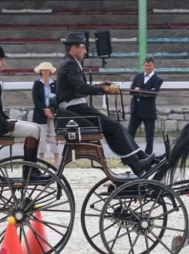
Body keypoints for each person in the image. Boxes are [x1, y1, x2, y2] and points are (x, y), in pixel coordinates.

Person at [55, 32, 155, 177]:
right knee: (114, 126)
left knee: (115, 126)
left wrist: (102, 85)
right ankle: (136, 163)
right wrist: (105, 89)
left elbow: (79, 86)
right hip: (75, 109)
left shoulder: (70, 63)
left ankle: (141, 157)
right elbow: (81, 88)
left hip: (77, 108)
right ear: (74, 48)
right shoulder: (70, 64)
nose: (86, 51)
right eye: (83, 48)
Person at [0, 44, 50, 181]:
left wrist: (6, 121)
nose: (4, 63)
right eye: (1, 59)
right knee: (34, 131)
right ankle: (30, 171)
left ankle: (31, 169)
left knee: (36, 128)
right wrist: (4, 124)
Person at [127, 57, 164, 155]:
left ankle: (148, 155)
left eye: (149, 65)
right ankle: (130, 153)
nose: (147, 67)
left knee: (149, 136)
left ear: (153, 66)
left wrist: (139, 90)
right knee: (130, 133)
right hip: (136, 110)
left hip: (148, 111)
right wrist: (143, 92)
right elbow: (131, 91)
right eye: (146, 65)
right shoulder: (138, 76)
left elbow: (152, 93)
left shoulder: (157, 79)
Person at [32, 61, 62, 164]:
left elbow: (58, 99)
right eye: (43, 70)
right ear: (41, 72)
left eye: (47, 70)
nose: (45, 72)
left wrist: (52, 110)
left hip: (53, 113)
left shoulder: (55, 84)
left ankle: (56, 159)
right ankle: (41, 159)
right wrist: (45, 110)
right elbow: (36, 100)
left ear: (50, 72)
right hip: (41, 113)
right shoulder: (37, 84)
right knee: (41, 137)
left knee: (54, 136)